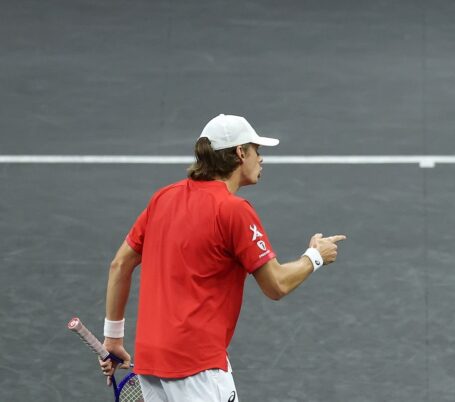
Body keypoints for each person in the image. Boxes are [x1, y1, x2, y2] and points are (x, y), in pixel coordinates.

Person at [98, 114, 346, 401]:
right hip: (197, 368)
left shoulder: (163, 198)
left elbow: (120, 264)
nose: (260, 159)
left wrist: (113, 337)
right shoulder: (233, 210)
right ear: (240, 153)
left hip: (151, 366)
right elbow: (276, 285)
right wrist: (314, 256)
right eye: (256, 150)